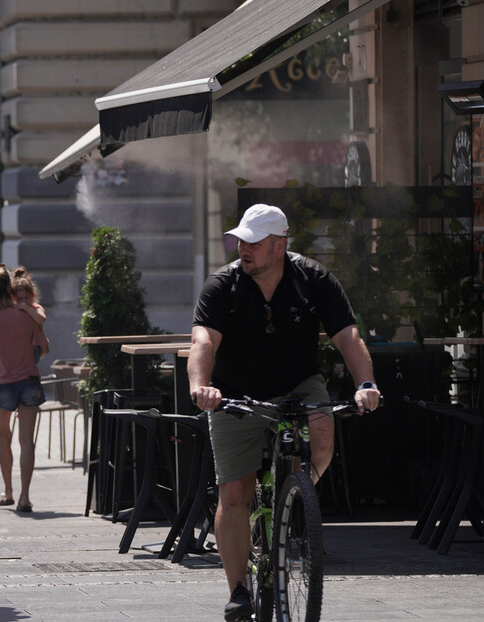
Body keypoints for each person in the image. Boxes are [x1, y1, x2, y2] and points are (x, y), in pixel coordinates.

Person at [188, 204, 381, 621]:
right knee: (235, 493)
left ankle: (295, 497)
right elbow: (203, 340)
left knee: (324, 431)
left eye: (253, 242)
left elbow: (348, 336)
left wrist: (366, 384)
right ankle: (238, 588)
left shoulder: (313, 280)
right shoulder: (224, 284)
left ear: (280, 246)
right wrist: (201, 386)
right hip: (235, 393)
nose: (242, 248)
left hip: (297, 384)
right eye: (240, 240)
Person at [0, 264, 46, 513]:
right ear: (10, 286)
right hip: (29, 379)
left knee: (2, 436)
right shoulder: (27, 312)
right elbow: (40, 339)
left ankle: (7, 491)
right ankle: (25, 497)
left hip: (2, 382)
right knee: (27, 441)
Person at [11, 266, 49, 360]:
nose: (23, 302)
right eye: (19, 299)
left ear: (33, 295)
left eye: (27, 298)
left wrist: (28, 309)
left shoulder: (35, 308)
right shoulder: (15, 310)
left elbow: (41, 319)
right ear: (14, 298)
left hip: (34, 346)